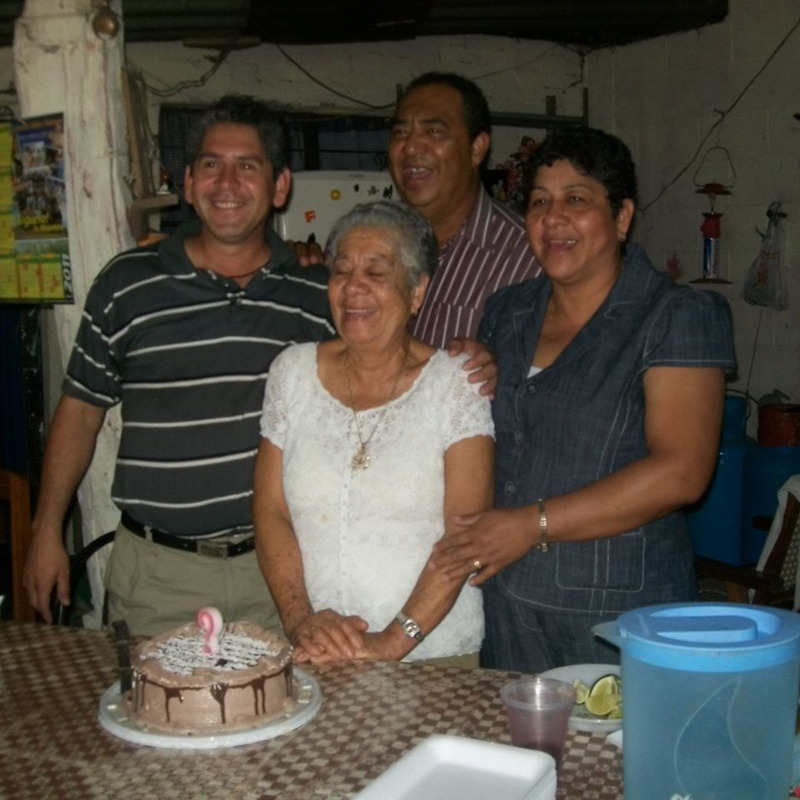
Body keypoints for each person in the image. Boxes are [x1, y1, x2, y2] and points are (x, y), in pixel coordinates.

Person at [23, 95, 334, 636]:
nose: (227, 182)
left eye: (248, 165)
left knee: (285, 696)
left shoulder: (319, 295)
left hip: (281, 577)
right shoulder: (127, 283)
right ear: (188, 183)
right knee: (144, 696)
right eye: (211, 164)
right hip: (157, 580)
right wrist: (47, 530)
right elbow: (80, 413)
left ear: (280, 186)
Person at [431, 127, 737, 672]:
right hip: (505, 606)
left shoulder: (675, 315)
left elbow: (682, 472)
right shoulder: (507, 311)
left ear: (622, 217)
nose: (553, 219)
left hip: (613, 617)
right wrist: (472, 367)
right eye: (539, 202)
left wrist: (528, 525)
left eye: (576, 199)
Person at [253, 200, 494, 665]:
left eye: (376, 273)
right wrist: (301, 620)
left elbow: (464, 536)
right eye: (341, 271)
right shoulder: (292, 372)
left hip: (431, 655)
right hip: (316, 650)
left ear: (417, 291)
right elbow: (271, 510)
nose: (353, 288)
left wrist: (391, 643)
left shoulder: (456, 384)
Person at [294, 72, 540, 349]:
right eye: (400, 133)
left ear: (476, 149)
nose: (410, 147)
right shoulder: (353, 244)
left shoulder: (527, 258)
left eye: (434, 131)